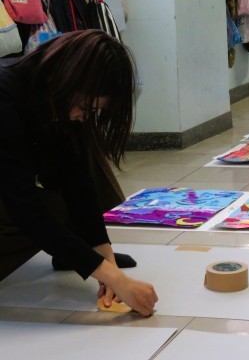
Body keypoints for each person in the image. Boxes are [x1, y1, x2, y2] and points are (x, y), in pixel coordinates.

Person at [0, 30, 158, 317]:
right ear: (67, 78)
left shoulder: (53, 97)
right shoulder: (5, 95)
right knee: (42, 210)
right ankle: (72, 252)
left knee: (84, 161)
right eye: (85, 107)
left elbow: (78, 181)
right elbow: (23, 205)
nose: (83, 115)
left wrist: (104, 259)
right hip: (10, 195)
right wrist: (113, 277)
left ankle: (76, 252)